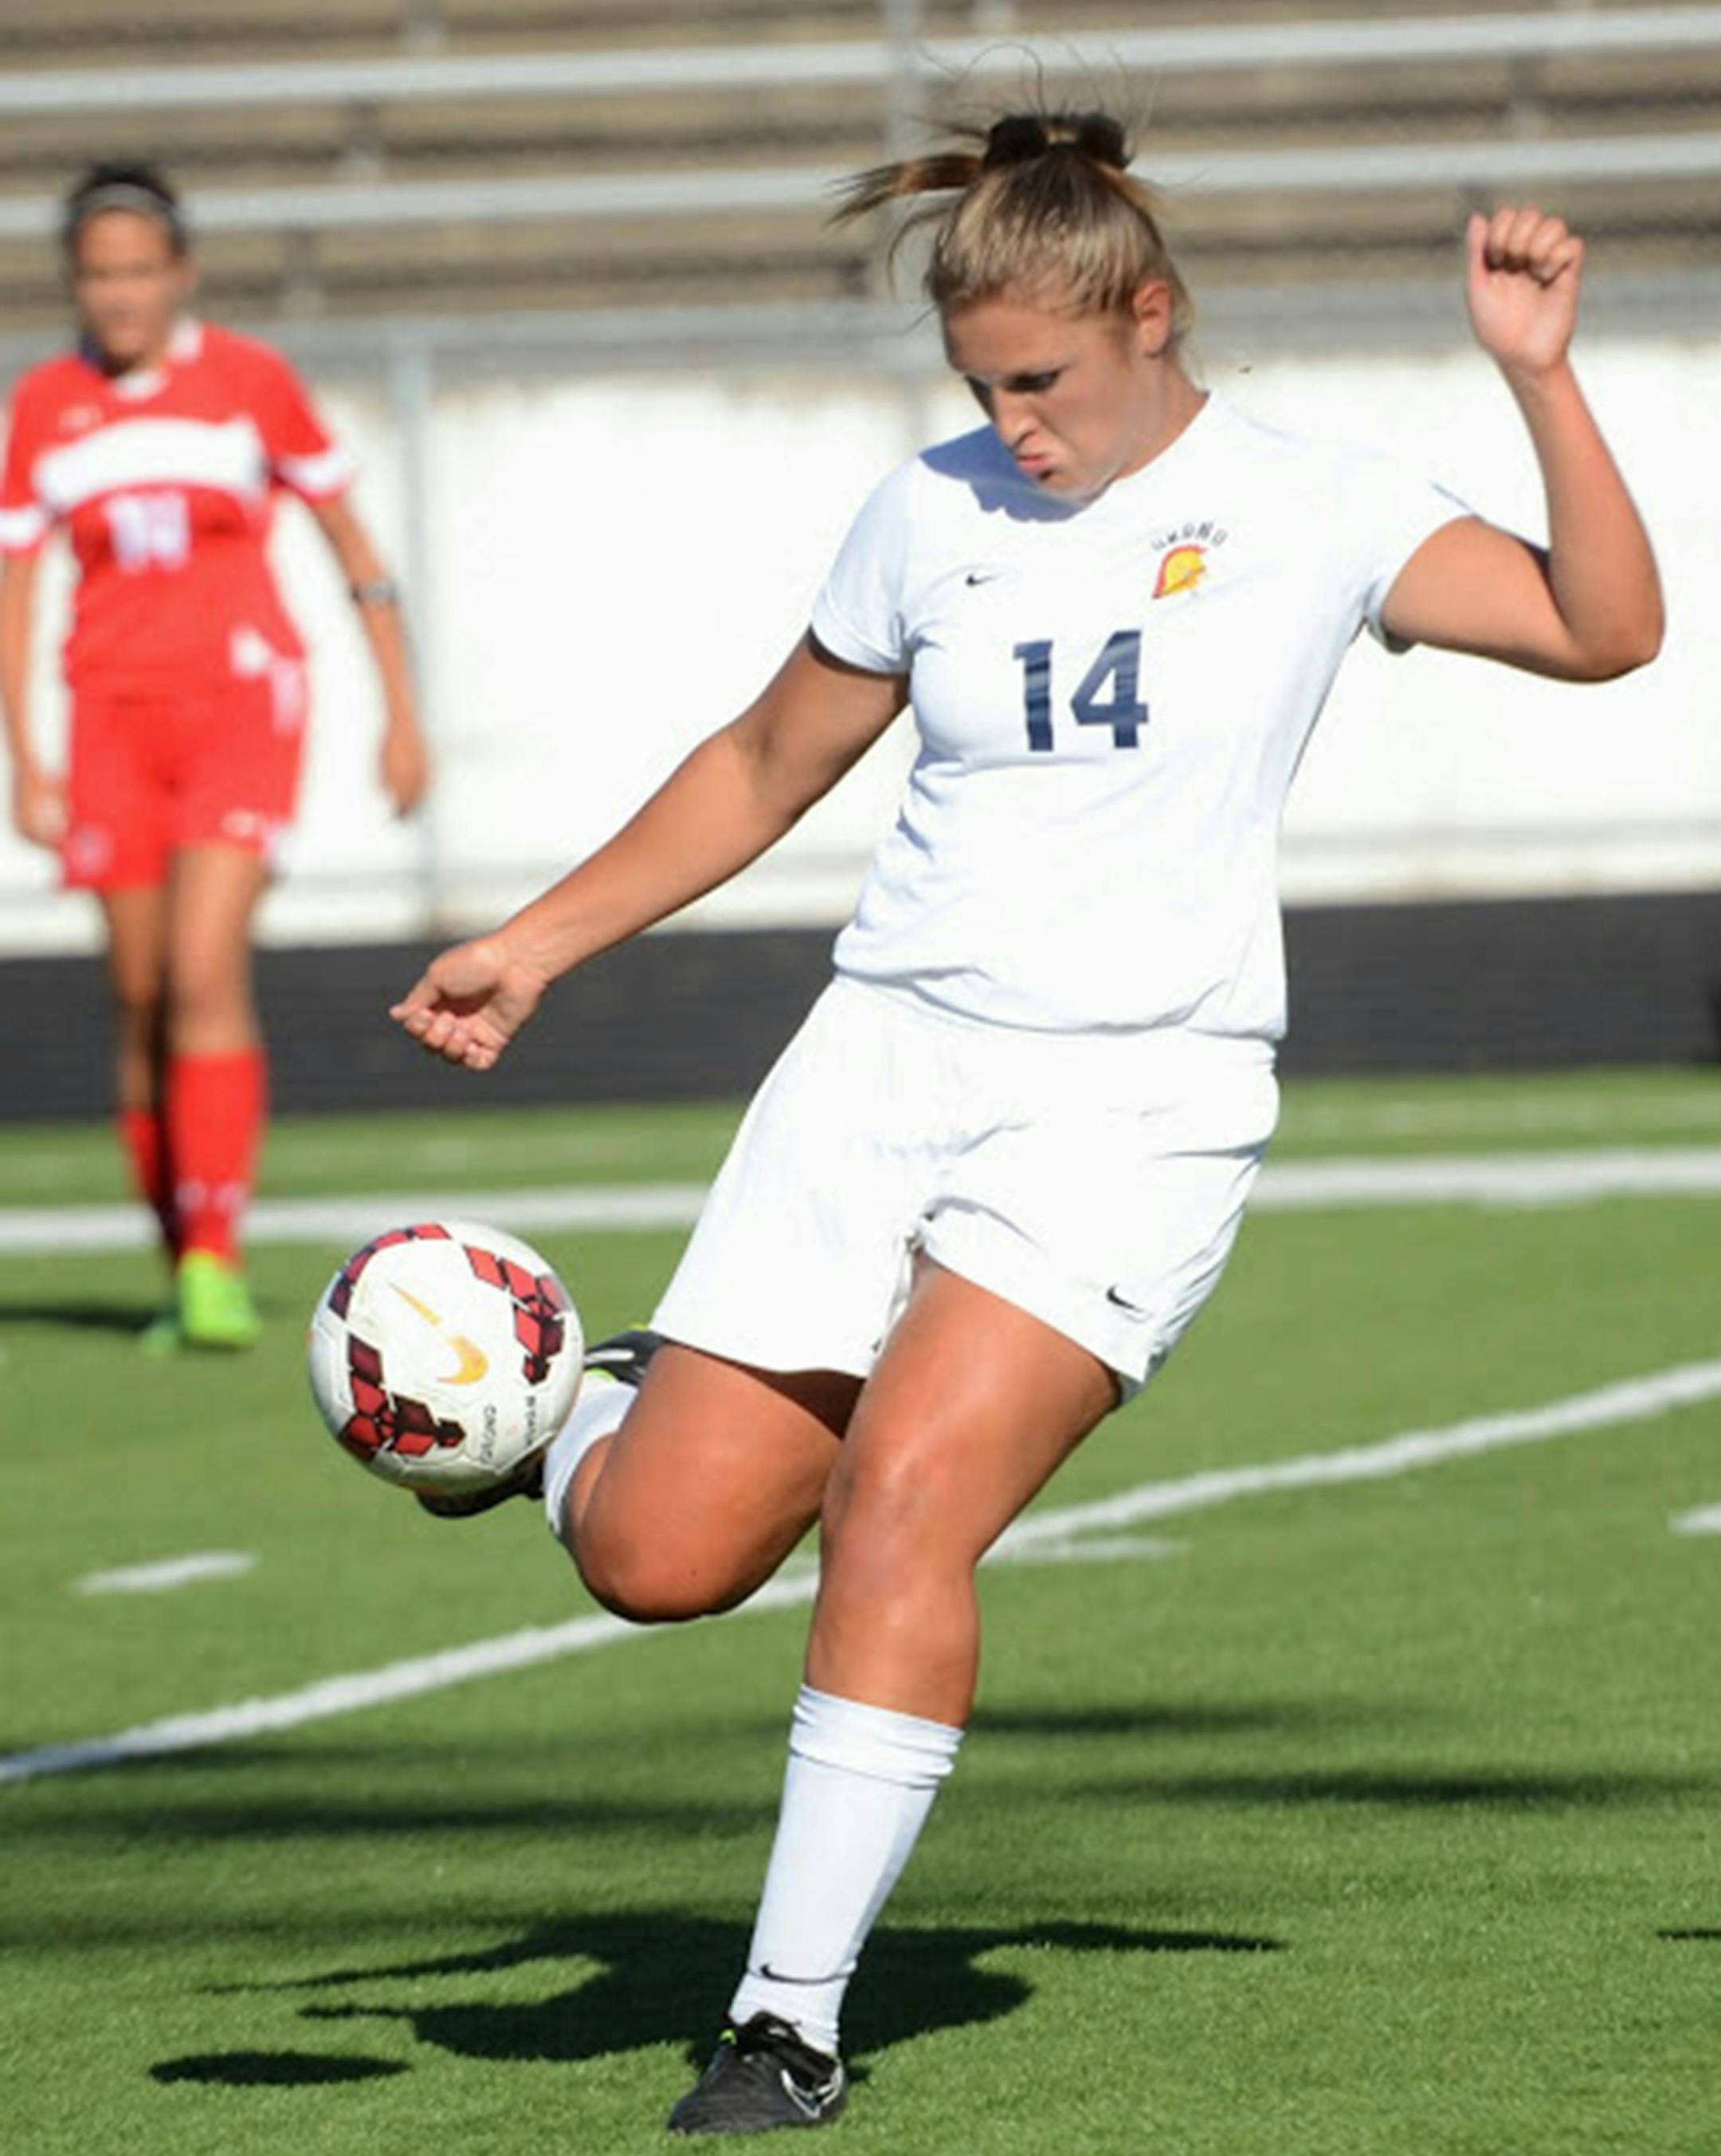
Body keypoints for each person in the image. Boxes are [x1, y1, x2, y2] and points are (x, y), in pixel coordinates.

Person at [392, 110, 1660, 2136]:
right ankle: (565, 1419)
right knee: (658, 1560)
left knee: (904, 1498)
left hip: (1134, 1104)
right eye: (981, 386)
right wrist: (536, 945)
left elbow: (1607, 630)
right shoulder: (928, 512)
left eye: (1042, 383)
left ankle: (784, 2026)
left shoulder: (1316, 502)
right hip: (883, 1064)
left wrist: (1540, 378)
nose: (1013, 422)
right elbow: (762, 759)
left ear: (1152, 317)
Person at [1, 160, 428, 1348]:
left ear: (180, 274)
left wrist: (401, 707)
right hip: (107, 719)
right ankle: (178, 1247)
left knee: (200, 970)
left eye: (141, 269)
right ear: (75, 284)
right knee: (136, 996)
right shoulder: (44, 406)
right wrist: (23, 755)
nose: (121, 293)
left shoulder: (249, 383)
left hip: (241, 706)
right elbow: (19, 580)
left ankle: (216, 1258)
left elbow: (351, 536)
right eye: (99, 273)